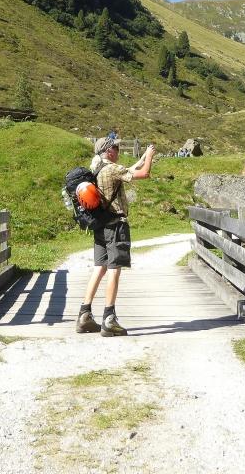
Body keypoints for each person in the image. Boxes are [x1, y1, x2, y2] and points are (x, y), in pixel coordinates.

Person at [77, 136, 156, 337]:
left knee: (99, 268)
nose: (118, 150)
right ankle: (109, 319)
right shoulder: (112, 169)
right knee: (114, 270)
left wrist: (141, 158)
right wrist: (149, 156)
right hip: (115, 226)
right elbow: (144, 174)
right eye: (116, 148)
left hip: (100, 226)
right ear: (108, 151)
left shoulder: (97, 169)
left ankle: (84, 315)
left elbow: (127, 170)